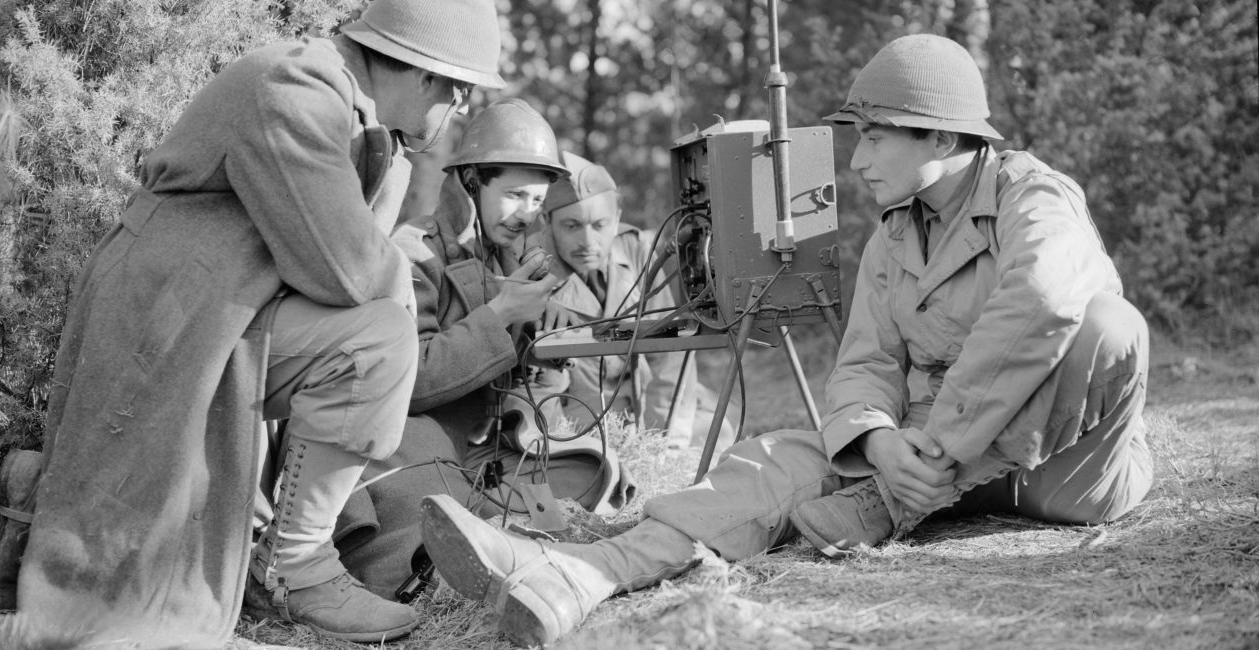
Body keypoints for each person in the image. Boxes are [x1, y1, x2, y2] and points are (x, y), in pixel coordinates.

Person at [416, 33, 1155, 647]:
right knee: (774, 459)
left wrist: (941, 450)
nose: (857, 161)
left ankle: (891, 502)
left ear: (939, 132)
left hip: (1068, 471)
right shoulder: (895, 238)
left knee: (1109, 324)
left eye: (873, 138)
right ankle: (577, 571)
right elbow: (865, 364)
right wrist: (879, 444)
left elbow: (1047, 299)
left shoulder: (1036, 196)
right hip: (921, 468)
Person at [0, 0, 506, 645]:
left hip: (221, 311)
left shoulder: (361, 121)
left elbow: (348, 264)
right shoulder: (298, 88)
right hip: (169, 314)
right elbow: (347, 272)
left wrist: (393, 172)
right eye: (457, 91)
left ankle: (288, 563)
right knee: (379, 341)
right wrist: (394, 282)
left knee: (375, 341)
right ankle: (294, 570)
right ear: (423, 74)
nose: (455, 110)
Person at [328, 100, 636, 602]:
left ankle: (507, 534)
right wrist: (502, 316)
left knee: (594, 470)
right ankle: (474, 547)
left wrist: (545, 358)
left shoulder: (513, 256)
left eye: (536, 201)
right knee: (420, 516)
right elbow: (411, 379)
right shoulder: (414, 252)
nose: (526, 215)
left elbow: (524, 398)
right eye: (514, 195)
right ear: (471, 183)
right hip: (416, 440)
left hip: (491, 450)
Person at [538, 151, 737, 449]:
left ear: (617, 218)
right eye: (571, 226)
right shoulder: (529, 268)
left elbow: (672, 345)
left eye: (599, 225)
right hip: (580, 420)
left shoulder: (636, 250)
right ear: (546, 221)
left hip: (644, 405)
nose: (588, 243)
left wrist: (662, 443)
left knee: (720, 426)